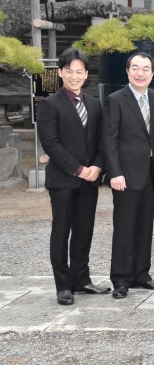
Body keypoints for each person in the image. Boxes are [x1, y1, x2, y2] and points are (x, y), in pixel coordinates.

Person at [37, 47, 110, 305]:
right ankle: (63, 285)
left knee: (84, 231)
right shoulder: (49, 104)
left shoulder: (94, 104)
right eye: (69, 71)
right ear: (60, 72)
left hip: (90, 180)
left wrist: (98, 167)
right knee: (61, 231)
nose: (74, 76)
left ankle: (82, 280)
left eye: (79, 72)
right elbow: (51, 144)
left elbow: (103, 141)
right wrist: (79, 169)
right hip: (63, 181)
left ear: (86, 74)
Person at [103, 52, 154, 299]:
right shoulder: (116, 99)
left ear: (152, 73)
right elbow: (108, 139)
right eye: (136, 68)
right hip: (125, 176)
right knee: (124, 227)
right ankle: (121, 278)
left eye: (146, 69)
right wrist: (114, 172)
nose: (141, 73)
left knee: (144, 226)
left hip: (151, 173)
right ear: (128, 71)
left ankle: (142, 273)